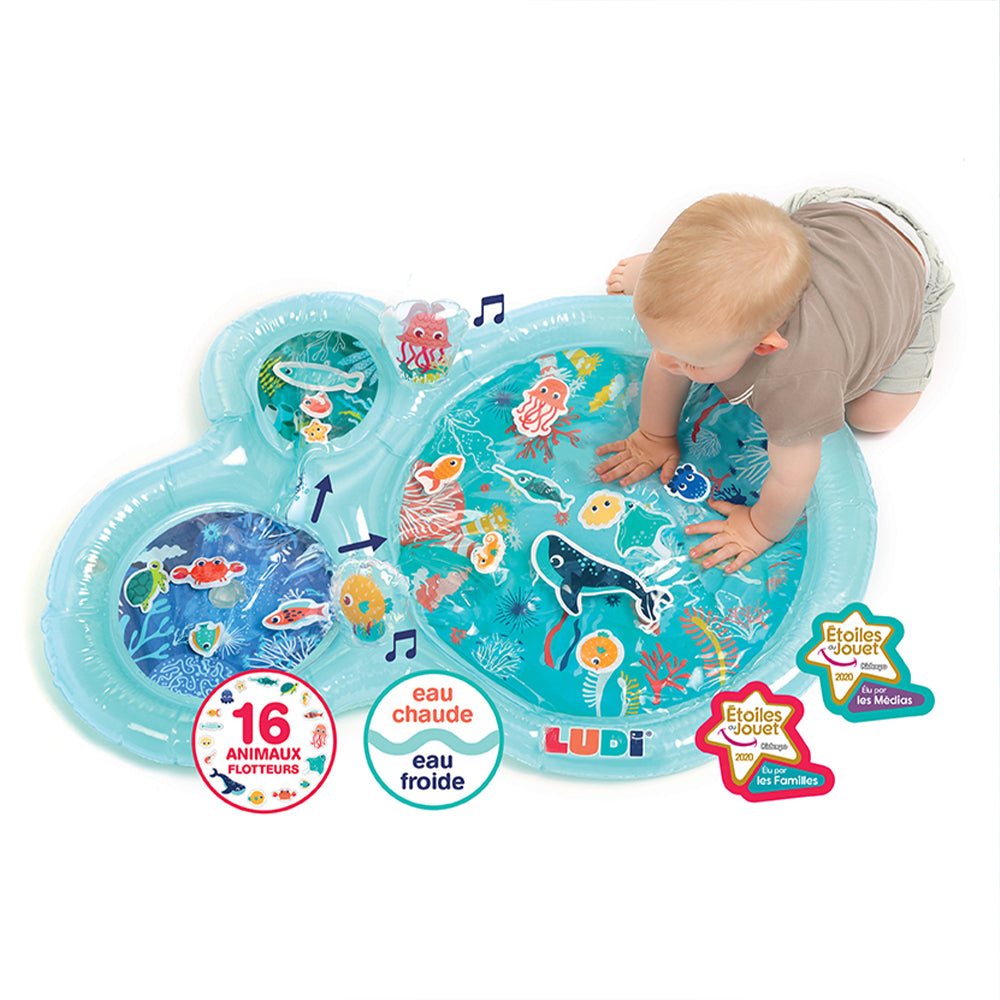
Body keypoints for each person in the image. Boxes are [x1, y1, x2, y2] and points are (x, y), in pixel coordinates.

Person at [595, 187, 953, 574]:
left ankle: (922, 308)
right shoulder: (688, 346)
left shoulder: (799, 382)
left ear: (764, 347)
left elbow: (793, 478)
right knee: (735, 273)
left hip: (908, 266)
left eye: (692, 362)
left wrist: (759, 528)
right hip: (823, 213)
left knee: (875, 417)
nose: (664, 361)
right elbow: (668, 362)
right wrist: (653, 435)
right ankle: (663, 278)